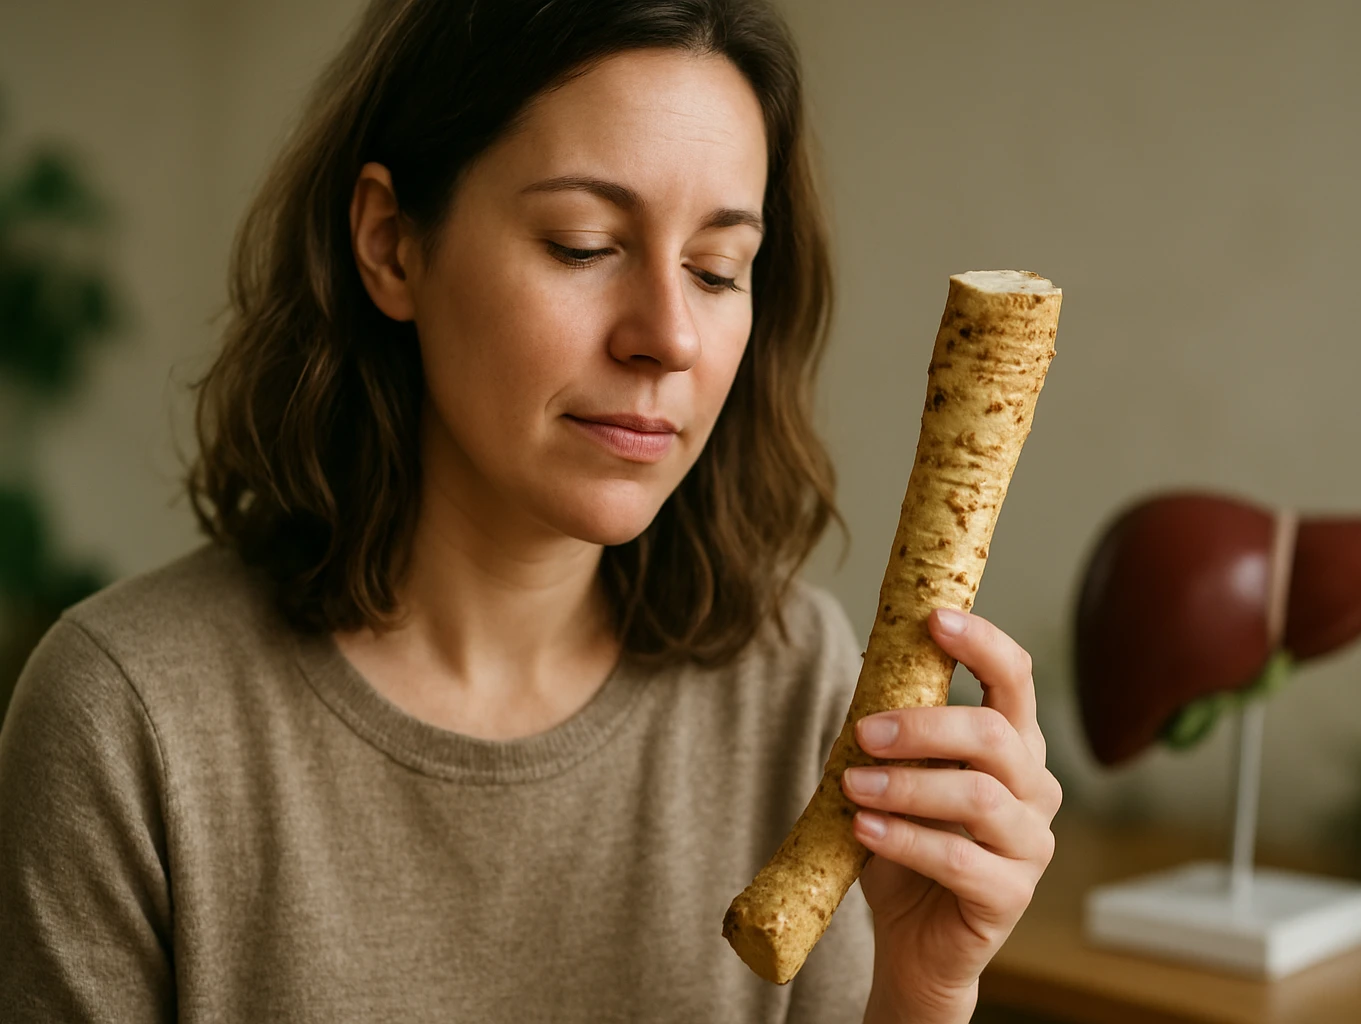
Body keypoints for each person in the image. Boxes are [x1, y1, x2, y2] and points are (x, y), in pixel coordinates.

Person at [0, 1, 1061, 1020]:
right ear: (390, 243)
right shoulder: (129, 721)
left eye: (717, 268)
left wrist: (921, 996)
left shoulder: (799, 695)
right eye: (583, 245)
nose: (669, 336)